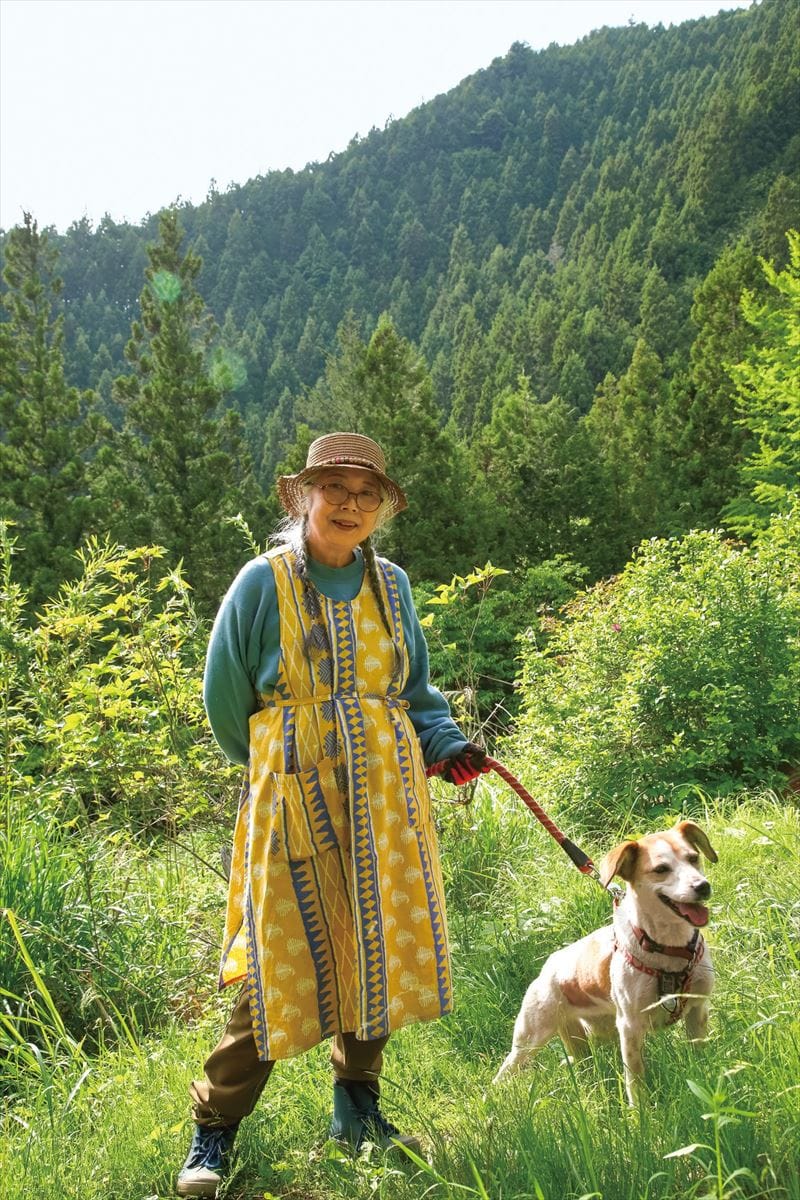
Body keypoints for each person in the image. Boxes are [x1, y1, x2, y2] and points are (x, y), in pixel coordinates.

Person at [177, 432, 488, 1198]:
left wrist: (443, 743)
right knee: (278, 966)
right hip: (293, 799)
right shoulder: (262, 582)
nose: (350, 504)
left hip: (385, 799)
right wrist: (278, 764)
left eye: (365, 493)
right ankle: (212, 1132)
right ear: (304, 499)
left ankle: (358, 1115)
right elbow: (225, 701)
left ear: (380, 507)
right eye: (335, 489)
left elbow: (413, 691)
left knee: (373, 948)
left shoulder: (392, 586)